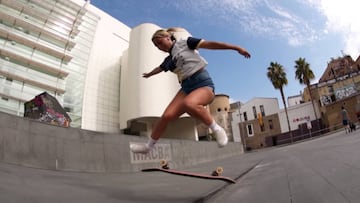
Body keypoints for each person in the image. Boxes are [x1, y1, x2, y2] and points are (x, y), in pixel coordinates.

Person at [130, 27, 251, 154]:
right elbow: (159, 68)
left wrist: (236, 48)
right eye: (156, 46)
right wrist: (149, 74)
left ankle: (217, 129)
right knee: (166, 116)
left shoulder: (185, 43)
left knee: (189, 103)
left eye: (160, 43)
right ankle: (148, 147)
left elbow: (210, 44)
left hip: (202, 83)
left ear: (168, 37)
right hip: (186, 87)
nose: (159, 47)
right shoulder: (168, 60)